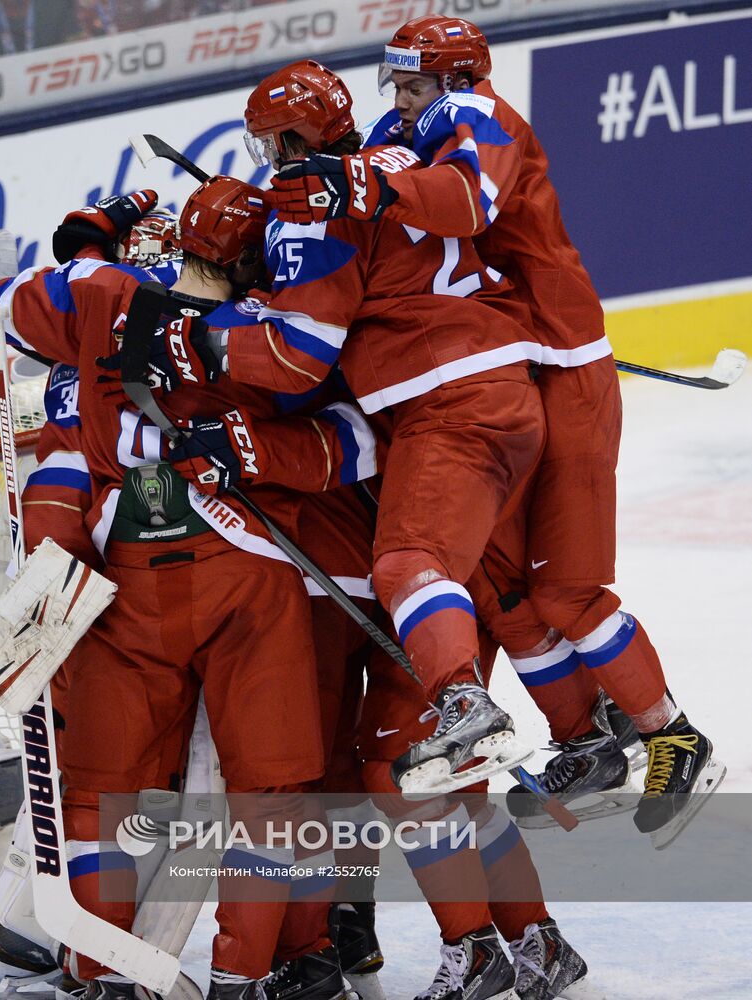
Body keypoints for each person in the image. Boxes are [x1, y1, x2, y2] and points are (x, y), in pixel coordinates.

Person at [268, 16, 725, 846]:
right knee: (502, 583)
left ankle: (673, 736)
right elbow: (366, 193)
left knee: (567, 590)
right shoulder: (403, 131)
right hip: (505, 365)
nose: (399, 101)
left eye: (413, 85)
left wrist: (357, 186)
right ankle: (586, 739)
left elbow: (464, 201)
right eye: (393, 86)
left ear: (454, 79)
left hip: (563, 367)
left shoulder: (480, 116)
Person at [0, 177, 352, 1000]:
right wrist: (259, 451)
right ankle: (241, 976)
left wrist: (90, 234)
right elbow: (350, 445)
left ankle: (88, 964)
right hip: (243, 572)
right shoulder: (273, 335)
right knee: (263, 794)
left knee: (93, 794)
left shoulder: (97, 297)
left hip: (111, 572)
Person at [184, 58, 548, 798]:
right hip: (507, 384)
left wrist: (209, 336)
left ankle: (466, 705)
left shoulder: (313, 209)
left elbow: (298, 357)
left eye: (268, 144)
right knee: (512, 588)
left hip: (442, 402)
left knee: (408, 566)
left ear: (290, 139)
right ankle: (590, 725)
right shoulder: (399, 149)